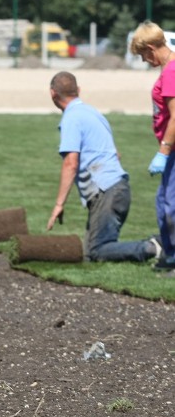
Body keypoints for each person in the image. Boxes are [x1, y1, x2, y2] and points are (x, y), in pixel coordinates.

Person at [46, 71, 160, 263]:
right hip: (118, 186)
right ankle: (158, 244)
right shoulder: (93, 113)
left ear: (52, 93)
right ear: (78, 90)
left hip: (106, 189)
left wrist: (59, 204)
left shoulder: (72, 118)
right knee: (89, 255)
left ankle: (152, 247)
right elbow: (116, 153)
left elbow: (70, 163)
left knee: (98, 251)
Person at [130, 21, 175, 271]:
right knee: (163, 202)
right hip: (170, 149)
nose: (144, 60)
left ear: (150, 47)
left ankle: (173, 258)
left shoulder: (171, 71)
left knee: (171, 204)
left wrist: (164, 151)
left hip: (172, 149)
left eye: (143, 55)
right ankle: (169, 254)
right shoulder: (169, 67)